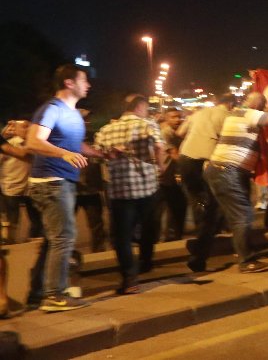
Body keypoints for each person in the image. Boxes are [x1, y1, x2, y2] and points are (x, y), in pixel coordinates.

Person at [199, 92, 268, 273]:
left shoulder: (238, 113)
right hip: (228, 172)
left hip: (218, 170)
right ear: (256, 106)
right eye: (262, 105)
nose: (264, 108)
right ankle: (246, 261)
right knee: (242, 216)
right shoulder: (249, 114)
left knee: (215, 218)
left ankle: (197, 258)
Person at [24, 64, 102, 312]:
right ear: (69, 83)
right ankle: (54, 295)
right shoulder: (52, 108)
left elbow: (75, 144)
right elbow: (33, 141)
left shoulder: (73, 113)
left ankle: (39, 292)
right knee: (63, 238)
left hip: (62, 182)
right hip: (50, 183)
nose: (88, 85)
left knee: (55, 240)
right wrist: (64, 154)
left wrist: (101, 154)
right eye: (83, 80)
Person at [95, 94, 164, 295]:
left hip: (120, 190)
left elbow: (98, 156)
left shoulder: (106, 129)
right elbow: (159, 146)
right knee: (149, 227)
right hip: (147, 186)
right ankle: (146, 262)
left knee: (122, 236)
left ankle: (130, 279)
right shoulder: (147, 124)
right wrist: (159, 166)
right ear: (140, 107)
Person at [176, 95, 234, 272]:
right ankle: (199, 255)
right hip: (206, 161)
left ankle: (202, 232)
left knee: (197, 200)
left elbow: (179, 133)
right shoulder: (226, 116)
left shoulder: (199, 113)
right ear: (230, 104)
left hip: (185, 158)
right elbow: (228, 140)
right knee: (213, 207)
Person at [0, 120, 42, 244]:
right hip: (12, 188)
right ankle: (10, 243)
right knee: (12, 219)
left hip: (30, 188)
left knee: (36, 218)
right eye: (25, 127)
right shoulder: (10, 145)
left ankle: (33, 241)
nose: (28, 129)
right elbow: (22, 153)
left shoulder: (35, 144)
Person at [155, 107, 186, 241]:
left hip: (171, 177)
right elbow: (174, 154)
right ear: (166, 118)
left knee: (175, 207)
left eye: (179, 117)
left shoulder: (175, 132)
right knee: (170, 208)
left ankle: (172, 235)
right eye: (173, 117)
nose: (177, 120)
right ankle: (167, 237)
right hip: (163, 177)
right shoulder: (166, 133)